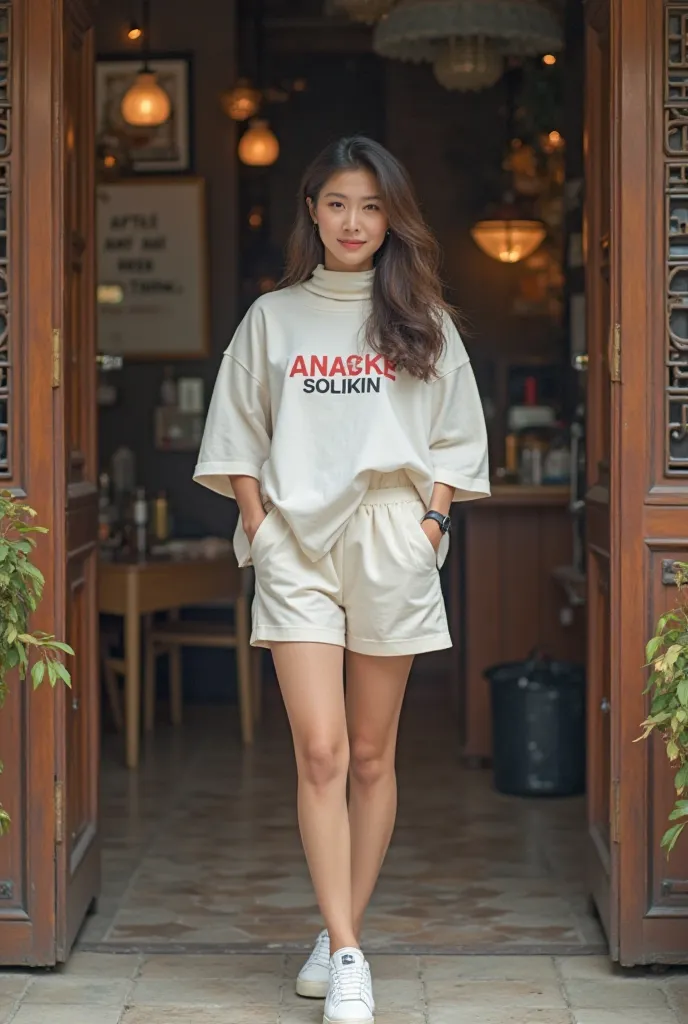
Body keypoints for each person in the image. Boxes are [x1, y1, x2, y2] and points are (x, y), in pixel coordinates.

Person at [194, 135, 490, 1024]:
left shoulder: (425, 320)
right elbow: (237, 435)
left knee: (370, 756)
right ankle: (351, 954)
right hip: (296, 545)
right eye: (336, 204)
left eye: (369, 205)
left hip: (391, 541)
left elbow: (458, 439)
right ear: (312, 212)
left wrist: (430, 523)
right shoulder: (273, 319)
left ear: (389, 215)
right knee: (319, 752)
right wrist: (260, 525)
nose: (353, 222)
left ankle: (337, 927)